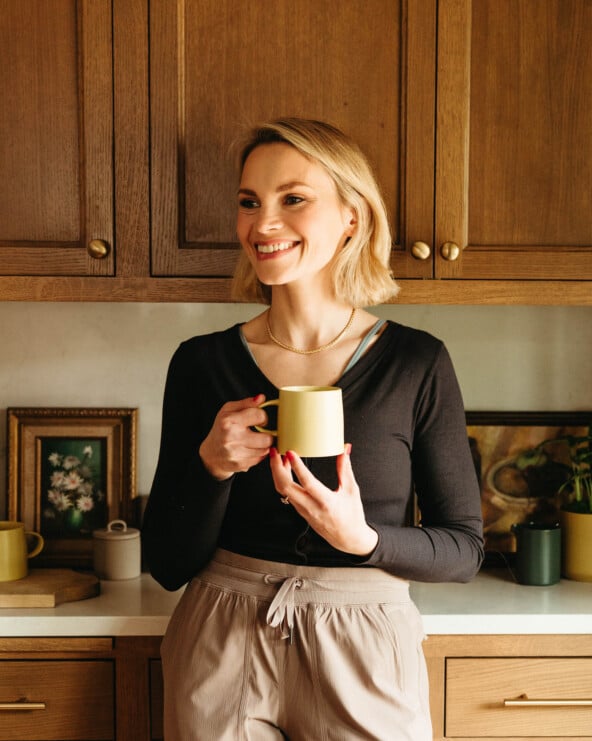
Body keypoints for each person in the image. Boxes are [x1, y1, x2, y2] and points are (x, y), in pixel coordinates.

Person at [143, 117, 484, 741]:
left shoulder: (416, 362)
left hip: (365, 637)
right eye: (250, 203)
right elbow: (166, 562)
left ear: (351, 216)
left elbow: (463, 549)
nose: (262, 223)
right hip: (221, 631)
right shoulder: (200, 363)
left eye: (292, 199)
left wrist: (364, 539)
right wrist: (211, 467)